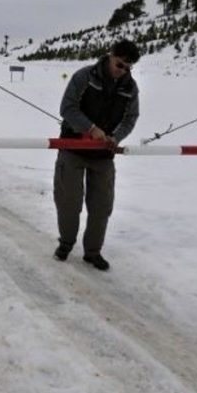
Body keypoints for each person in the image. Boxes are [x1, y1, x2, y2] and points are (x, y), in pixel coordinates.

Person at [53, 39, 141, 271]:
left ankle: (93, 252)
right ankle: (65, 243)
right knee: (69, 202)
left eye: (128, 68)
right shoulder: (84, 76)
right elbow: (67, 107)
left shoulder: (130, 89)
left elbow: (131, 118)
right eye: (119, 64)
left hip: (103, 155)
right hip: (72, 148)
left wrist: (116, 137)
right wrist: (90, 128)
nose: (122, 70)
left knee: (102, 206)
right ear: (110, 56)